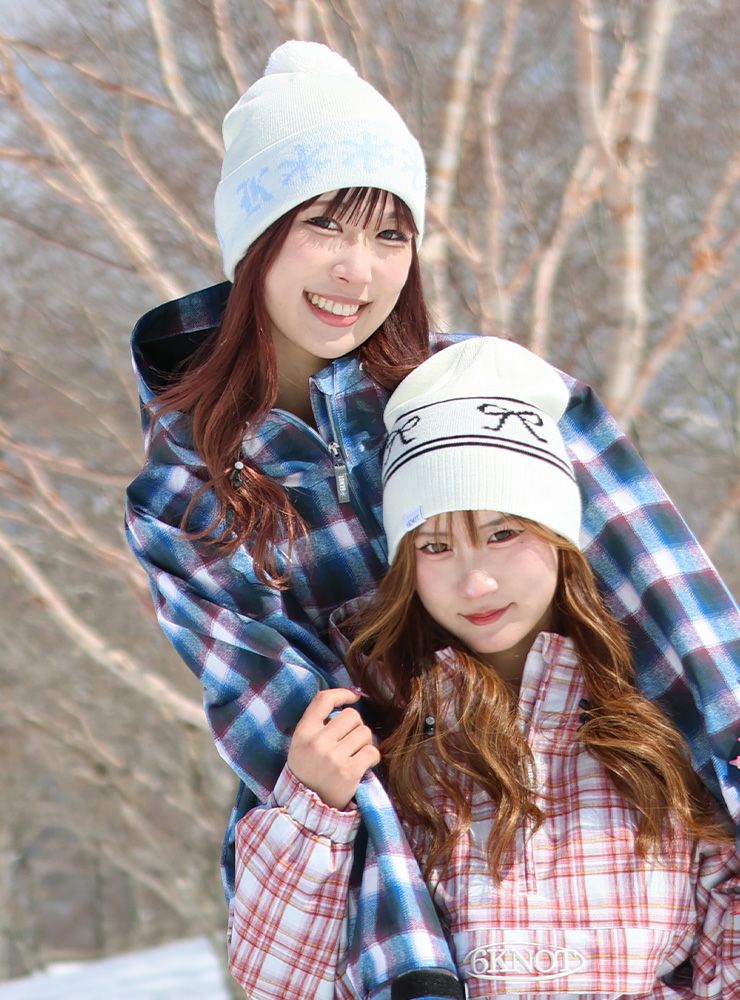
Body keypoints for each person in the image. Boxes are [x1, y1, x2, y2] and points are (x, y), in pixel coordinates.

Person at [124, 39, 739, 999]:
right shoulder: (184, 497)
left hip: (590, 822)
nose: (357, 271)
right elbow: (309, 739)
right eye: (325, 225)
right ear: (255, 235)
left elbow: (678, 615)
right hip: (392, 867)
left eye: (391, 235)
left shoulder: (485, 389)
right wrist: (413, 970)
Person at [227, 337, 739, 999]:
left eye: (503, 534)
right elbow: (278, 981)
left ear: (561, 535)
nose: (475, 582)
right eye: (435, 546)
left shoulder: (659, 723)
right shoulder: (371, 721)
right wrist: (312, 812)